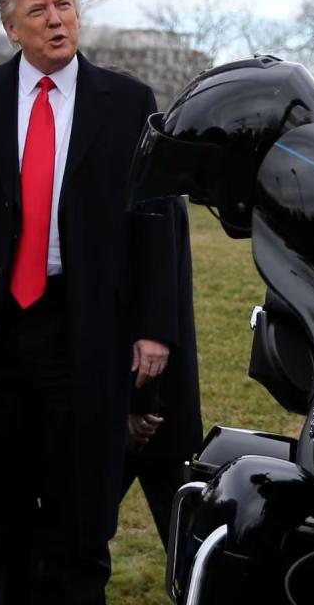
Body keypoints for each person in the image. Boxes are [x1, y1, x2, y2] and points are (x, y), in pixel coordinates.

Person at [0, 0, 178, 605]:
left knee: (82, 498)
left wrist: (153, 328)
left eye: (64, 6)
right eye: (39, 11)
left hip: (84, 324)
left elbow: (155, 221)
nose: (56, 20)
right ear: (11, 29)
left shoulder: (128, 101)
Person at [119, 199, 202, 553]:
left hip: (146, 397)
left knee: (74, 544)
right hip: (160, 396)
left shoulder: (147, 184)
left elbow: (151, 285)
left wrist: (140, 402)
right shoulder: (161, 182)